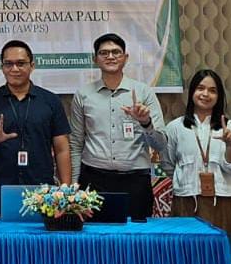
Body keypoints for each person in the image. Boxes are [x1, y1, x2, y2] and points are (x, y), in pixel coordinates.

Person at [145, 70, 231, 254]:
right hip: (187, 201)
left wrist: (230, 145)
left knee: (223, 256)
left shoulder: (230, 127)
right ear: (192, 92)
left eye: (212, 90)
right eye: (200, 88)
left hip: (224, 202)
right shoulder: (175, 127)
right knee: (189, 256)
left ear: (219, 96)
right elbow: (168, 164)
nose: (205, 94)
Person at [69, 33, 164, 220]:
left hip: (135, 181)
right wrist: (74, 184)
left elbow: (161, 144)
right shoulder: (83, 95)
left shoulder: (144, 93)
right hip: (94, 181)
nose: (110, 57)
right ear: (95, 59)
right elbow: (75, 144)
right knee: (93, 235)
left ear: (125, 58)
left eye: (116, 52)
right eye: (104, 53)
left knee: (136, 236)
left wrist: (145, 123)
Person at [0, 40, 72, 218]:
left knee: (40, 236)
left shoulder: (50, 101)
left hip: (43, 193)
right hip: (0, 192)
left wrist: (65, 191)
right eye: (8, 64)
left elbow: (62, 148)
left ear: (32, 65)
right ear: (2, 67)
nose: (14, 69)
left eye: (20, 63)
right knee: (1, 236)